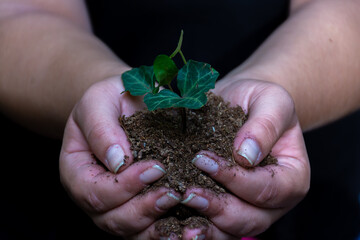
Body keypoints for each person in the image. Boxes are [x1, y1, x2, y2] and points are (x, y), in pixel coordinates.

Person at [0, 0, 359, 239]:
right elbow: (17, 13)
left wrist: (276, 91)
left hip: (307, 157)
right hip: (58, 189)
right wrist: (95, 94)